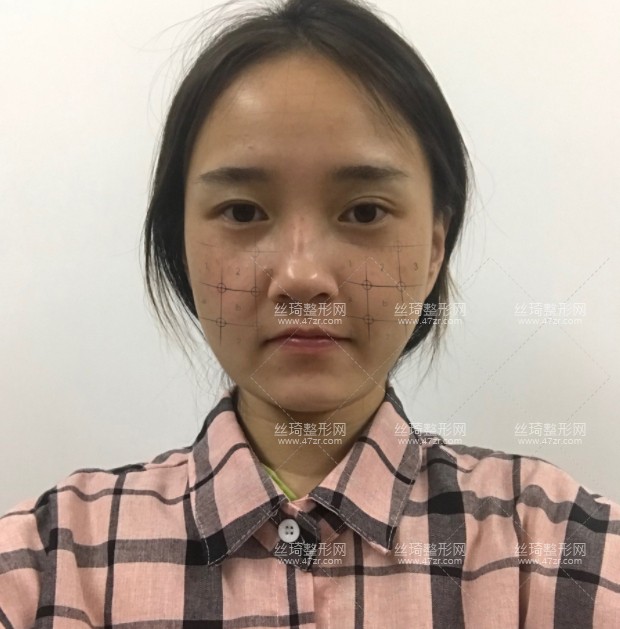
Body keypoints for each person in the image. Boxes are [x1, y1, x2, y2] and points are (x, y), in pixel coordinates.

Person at [1, 0, 618, 626]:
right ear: (180, 244)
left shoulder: (557, 549)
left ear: (435, 247)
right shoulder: (50, 563)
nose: (301, 276)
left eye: (365, 212)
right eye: (243, 212)